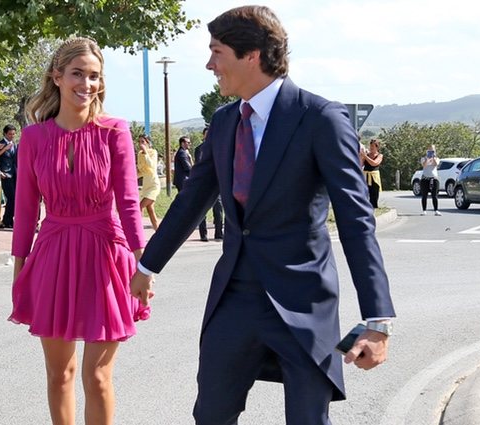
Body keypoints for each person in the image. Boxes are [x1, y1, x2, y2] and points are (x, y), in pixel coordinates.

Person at [130, 6, 395, 424]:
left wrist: (377, 319)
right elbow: (190, 201)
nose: (209, 64)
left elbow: (356, 219)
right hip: (234, 298)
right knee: (211, 416)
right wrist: (147, 265)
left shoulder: (320, 119)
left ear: (251, 55)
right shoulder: (222, 123)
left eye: (217, 52)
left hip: (303, 302)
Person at [8, 36, 150, 425]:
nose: (86, 84)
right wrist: (19, 270)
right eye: (77, 74)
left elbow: (128, 202)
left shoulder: (114, 131)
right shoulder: (34, 138)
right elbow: (23, 210)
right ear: (57, 76)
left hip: (106, 255)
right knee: (60, 375)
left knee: (99, 377)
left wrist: (144, 265)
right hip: (53, 256)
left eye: (94, 76)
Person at [194, 126, 224, 241]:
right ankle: (203, 235)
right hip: (203, 184)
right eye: (206, 134)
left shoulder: (219, 147)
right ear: (203, 135)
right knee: (203, 211)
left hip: (217, 183)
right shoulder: (199, 149)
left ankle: (218, 233)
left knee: (219, 210)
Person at [136, 134, 161, 230]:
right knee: (150, 210)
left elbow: (152, 166)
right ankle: (158, 232)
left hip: (153, 185)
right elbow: (141, 170)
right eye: (139, 142)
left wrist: (146, 152)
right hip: (146, 185)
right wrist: (133, 177)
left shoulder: (153, 152)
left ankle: (137, 229)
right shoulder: (139, 154)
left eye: (143, 141)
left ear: (148, 143)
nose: (140, 144)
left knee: (139, 207)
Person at [0, 124, 17, 229]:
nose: (11, 136)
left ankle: (9, 220)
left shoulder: (15, 145)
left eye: (13, 134)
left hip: (15, 175)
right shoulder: (0, 144)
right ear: (5, 133)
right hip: (5, 175)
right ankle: (6, 220)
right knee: (11, 197)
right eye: (9, 134)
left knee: (14, 199)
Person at [361, 138, 383, 209]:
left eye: (373, 147)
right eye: (370, 146)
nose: (371, 148)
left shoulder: (380, 155)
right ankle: (365, 206)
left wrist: (365, 156)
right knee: (365, 192)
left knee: (374, 192)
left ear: (377, 147)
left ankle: (374, 206)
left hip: (374, 177)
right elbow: (360, 164)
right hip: (366, 175)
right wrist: (362, 156)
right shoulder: (366, 155)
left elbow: (374, 163)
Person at [420, 144, 442, 216]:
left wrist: (433, 158)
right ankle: (424, 210)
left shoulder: (437, 158)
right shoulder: (423, 158)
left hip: (434, 178)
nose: (431, 152)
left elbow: (436, 164)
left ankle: (436, 210)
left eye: (432, 150)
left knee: (434, 195)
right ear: (427, 151)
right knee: (424, 195)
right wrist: (427, 158)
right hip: (425, 178)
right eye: (429, 150)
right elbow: (424, 165)